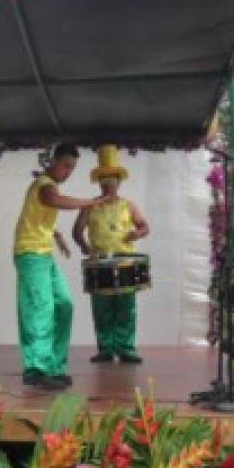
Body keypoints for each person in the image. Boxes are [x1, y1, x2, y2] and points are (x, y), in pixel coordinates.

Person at [13, 143, 102, 391]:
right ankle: (36, 368)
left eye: (72, 168)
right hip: (30, 254)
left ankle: (53, 366)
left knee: (63, 304)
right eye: (66, 165)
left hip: (44, 253)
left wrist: (58, 236)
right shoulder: (43, 185)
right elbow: (54, 200)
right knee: (40, 307)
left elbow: (40, 216)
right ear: (52, 161)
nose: (68, 172)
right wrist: (89, 203)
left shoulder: (49, 186)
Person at [73, 145, 150, 365]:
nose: (108, 185)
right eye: (104, 181)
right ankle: (105, 349)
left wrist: (136, 233)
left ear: (119, 182)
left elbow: (145, 227)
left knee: (126, 307)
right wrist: (84, 245)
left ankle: (126, 348)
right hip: (100, 262)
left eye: (112, 180)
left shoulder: (129, 205)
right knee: (102, 308)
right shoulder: (89, 206)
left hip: (125, 261)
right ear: (99, 182)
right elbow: (77, 231)